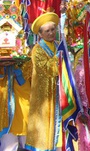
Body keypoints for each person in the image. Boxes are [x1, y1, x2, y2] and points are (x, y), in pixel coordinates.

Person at [25, 12, 61, 151]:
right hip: (43, 94)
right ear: (40, 34)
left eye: (53, 30)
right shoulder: (37, 50)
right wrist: (59, 56)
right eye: (47, 31)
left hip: (57, 91)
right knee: (43, 122)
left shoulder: (58, 45)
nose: (51, 33)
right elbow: (49, 69)